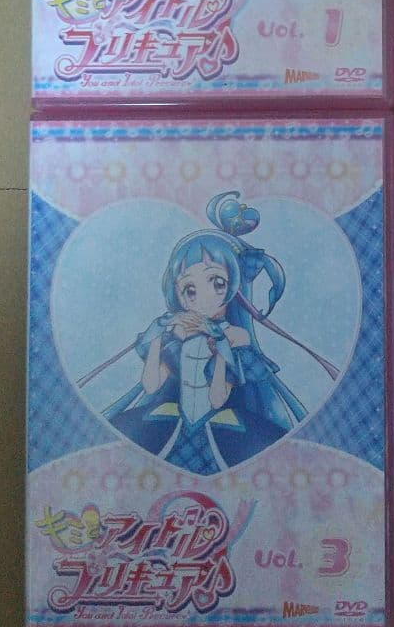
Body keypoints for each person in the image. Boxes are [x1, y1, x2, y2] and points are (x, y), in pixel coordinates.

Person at [106, 192, 306, 475]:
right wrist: (158, 339)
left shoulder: (236, 337)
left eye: (217, 283)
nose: (202, 298)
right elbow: (151, 386)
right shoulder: (177, 335)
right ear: (177, 292)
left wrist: (220, 350)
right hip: (176, 420)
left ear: (233, 287)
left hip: (222, 423)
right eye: (190, 289)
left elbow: (217, 399)